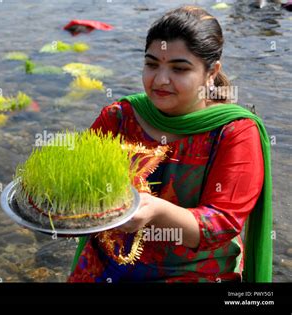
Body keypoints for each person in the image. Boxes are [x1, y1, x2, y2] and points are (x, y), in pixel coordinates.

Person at [68, 5, 273, 283]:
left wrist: (158, 212)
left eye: (179, 68)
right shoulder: (120, 117)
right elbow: (76, 178)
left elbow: (222, 223)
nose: (160, 80)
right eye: (152, 64)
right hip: (108, 263)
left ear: (211, 72)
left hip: (193, 272)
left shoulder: (234, 131)